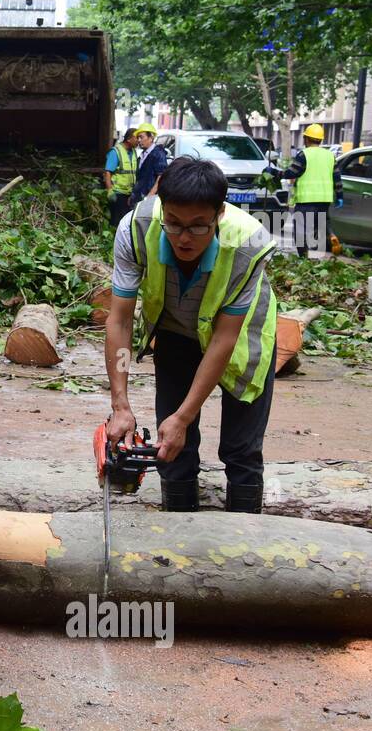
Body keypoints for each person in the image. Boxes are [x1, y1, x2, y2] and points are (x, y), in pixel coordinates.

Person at [105, 156, 279, 515]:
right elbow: (120, 321)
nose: (184, 237)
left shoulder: (249, 242)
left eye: (199, 226)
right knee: (173, 447)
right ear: (162, 209)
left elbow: (223, 340)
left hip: (244, 337)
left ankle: (247, 548)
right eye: (174, 224)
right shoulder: (135, 228)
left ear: (220, 215)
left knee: (241, 448)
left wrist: (185, 416)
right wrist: (120, 404)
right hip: (175, 330)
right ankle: (178, 545)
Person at [265, 123, 342, 257]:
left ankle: (304, 257)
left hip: (306, 200)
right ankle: (331, 235)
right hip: (324, 200)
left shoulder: (304, 155)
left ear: (306, 139)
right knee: (320, 224)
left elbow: (291, 173)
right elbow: (337, 178)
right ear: (321, 140)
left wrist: (274, 172)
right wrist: (340, 196)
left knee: (301, 232)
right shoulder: (330, 156)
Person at [104, 128, 138, 226]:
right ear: (129, 139)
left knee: (127, 222)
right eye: (136, 138)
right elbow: (107, 173)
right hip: (118, 193)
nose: (138, 141)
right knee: (117, 222)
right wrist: (110, 190)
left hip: (130, 194)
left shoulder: (134, 152)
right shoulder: (116, 152)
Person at [129, 123, 168, 206]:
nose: (139, 140)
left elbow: (161, 177)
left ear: (151, 138)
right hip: (139, 198)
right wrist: (133, 196)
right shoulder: (143, 154)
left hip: (149, 200)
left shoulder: (158, 153)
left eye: (141, 137)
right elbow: (140, 179)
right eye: (138, 137)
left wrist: (149, 196)